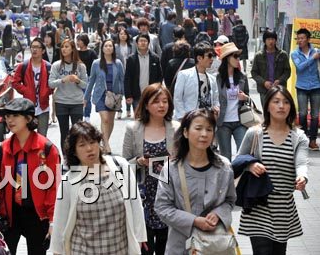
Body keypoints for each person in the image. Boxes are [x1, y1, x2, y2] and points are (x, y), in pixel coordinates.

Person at [51, 121, 147, 254]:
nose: (89, 148)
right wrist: (57, 252)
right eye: (82, 145)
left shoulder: (120, 166)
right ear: (74, 152)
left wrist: (139, 238)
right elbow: (60, 222)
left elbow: (135, 204)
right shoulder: (69, 181)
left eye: (92, 142)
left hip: (119, 249)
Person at [237, 86, 308, 255]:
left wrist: (302, 177)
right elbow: (238, 160)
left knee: (278, 252)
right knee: (262, 251)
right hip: (258, 205)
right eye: (276, 102)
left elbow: (301, 163)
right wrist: (250, 165)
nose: (281, 106)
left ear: (291, 106)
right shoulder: (254, 133)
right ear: (267, 105)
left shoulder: (299, 137)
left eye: (285, 102)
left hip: (283, 207)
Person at [154, 109, 236, 255]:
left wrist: (218, 213)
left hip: (214, 246)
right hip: (180, 246)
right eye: (198, 128)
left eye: (209, 129)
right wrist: (194, 221)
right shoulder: (170, 169)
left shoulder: (224, 167)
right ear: (185, 132)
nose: (204, 134)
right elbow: (162, 207)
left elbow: (230, 201)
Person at [0, 98, 60, 255]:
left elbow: (53, 189)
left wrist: (53, 220)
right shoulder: (0, 151)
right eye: (7, 116)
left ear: (29, 118)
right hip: (9, 215)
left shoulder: (47, 149)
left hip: (37, 216)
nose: (9, 120)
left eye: (15, 116)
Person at [122, 84, 180, 255]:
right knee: (145, 248)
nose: (162, 105)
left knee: (167, 246)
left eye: (165, 101)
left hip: (168, 197)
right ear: (146, 104)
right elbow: (124, 165)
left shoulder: (176, 128)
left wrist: (173, 163)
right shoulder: (133, 129)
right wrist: (139, 161)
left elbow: (185, 163)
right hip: (143, 196)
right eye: (156, 102)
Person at [84, 39, 124, 154]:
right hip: (101, 94)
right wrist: (86, 97)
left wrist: (123, 95)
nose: (108, 48)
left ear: (113, 48)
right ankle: (106, 145)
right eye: (106, 46)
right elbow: (91, 81)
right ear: (102, 48)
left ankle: (105, 142)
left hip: (114, 95)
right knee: (105, 119)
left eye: (110, 46)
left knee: (110, 121)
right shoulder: (96, 63)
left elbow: (122, 79)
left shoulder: (118, 63)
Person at [48, 39, 88, 152]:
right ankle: (66, 157)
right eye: (62, 47)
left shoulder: (81, 66)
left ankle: (77, 156)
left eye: (66, 47)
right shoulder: (56, 65)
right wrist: (63, 80)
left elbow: (85, 85)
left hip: (77, 103)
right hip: (61, 102)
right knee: (64, 132)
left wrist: (77, 80)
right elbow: (50, 83)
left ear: (72, 49)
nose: (64, 49)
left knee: (77, 132)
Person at [12, 38, 54, 136]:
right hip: (28, 107)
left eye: (37, 47)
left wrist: (47, 91)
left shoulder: (48, 67)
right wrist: (26, 91)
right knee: (27, 136)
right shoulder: (23, 66)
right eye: (32, 47)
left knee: (42, 137)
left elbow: (53, 83)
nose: (34, 50)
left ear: (43, 50)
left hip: (44, 107)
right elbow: (15, 82)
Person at [216, 43, 250, 160]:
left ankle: (240, 178)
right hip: (223, 122)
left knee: (243, 154)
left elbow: (248, 98)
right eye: (235, 56)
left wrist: (245, 98)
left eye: (238, 56)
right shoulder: (217, 78)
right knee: (225, 157)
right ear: (227, 58)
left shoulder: (242, 77)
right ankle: (228, 179)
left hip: (240, 121)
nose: (238, 59)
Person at [173, 42, 220, 120]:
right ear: (199, 58)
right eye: (209, 56)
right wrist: (183, 118)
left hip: (206, 120)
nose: (212, 59)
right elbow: (177, 98)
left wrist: (216, 108)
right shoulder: (184, 75)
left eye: (213, 56)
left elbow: (215, 100)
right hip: (188, 119)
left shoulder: (212, 79)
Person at [290, 28, 320, 150]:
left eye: (302, 38)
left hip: (316, 86)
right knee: (302, 114)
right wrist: (312, 58)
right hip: (302, 86)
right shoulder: (295, 53)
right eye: (298, 38)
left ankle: (312, 140)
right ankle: (303, 139)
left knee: (315, 115)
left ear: (308, 39)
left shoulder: (317, 51)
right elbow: (300, 67)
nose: (300, 40)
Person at [251, 30, 291, 108]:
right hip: (264, 90)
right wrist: (264, 82)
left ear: (275, 40)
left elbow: (287, 71)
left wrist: (280, 80)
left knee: (278, 112)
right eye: (268, 39)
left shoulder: (282, 55)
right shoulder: (258, 55)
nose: (271, 41)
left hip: (279, 88)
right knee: (266, 113)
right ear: (264, 41)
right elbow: (254, 72)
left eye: (272, 39)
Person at [124, 33, 163, 112]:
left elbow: (160, 76)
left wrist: (157, 89)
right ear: (137, 43)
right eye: (140, 41)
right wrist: (128, 95)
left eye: (145, 41)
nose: (142, 43)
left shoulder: (155, 58)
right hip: (136, 94)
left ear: (148, 43)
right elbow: (127, 78)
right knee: (138, 117)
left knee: (151, 117)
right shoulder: (131, 59)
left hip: (151, 93)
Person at [76, 34, 97, 122]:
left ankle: (87, 115)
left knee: (87, 96)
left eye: (79, 40)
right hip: (77, 77)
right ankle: (79, 114)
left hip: (88, 77)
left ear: (84, 41)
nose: (77, 42)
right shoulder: (75, 53)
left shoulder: (91, 52)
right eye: (77, 40)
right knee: (77, 96)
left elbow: (95, 65)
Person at [116, 27, 135, 119]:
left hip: (130, 71)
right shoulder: (115, 47)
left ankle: (128, 109)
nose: (123, 36)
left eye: (125, 34)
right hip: (118, 72)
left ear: (128, 36)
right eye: (121, 34)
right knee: (119, 92)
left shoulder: (131, 46)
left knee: (128, 90)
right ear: (118, 35)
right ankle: (119, 110)